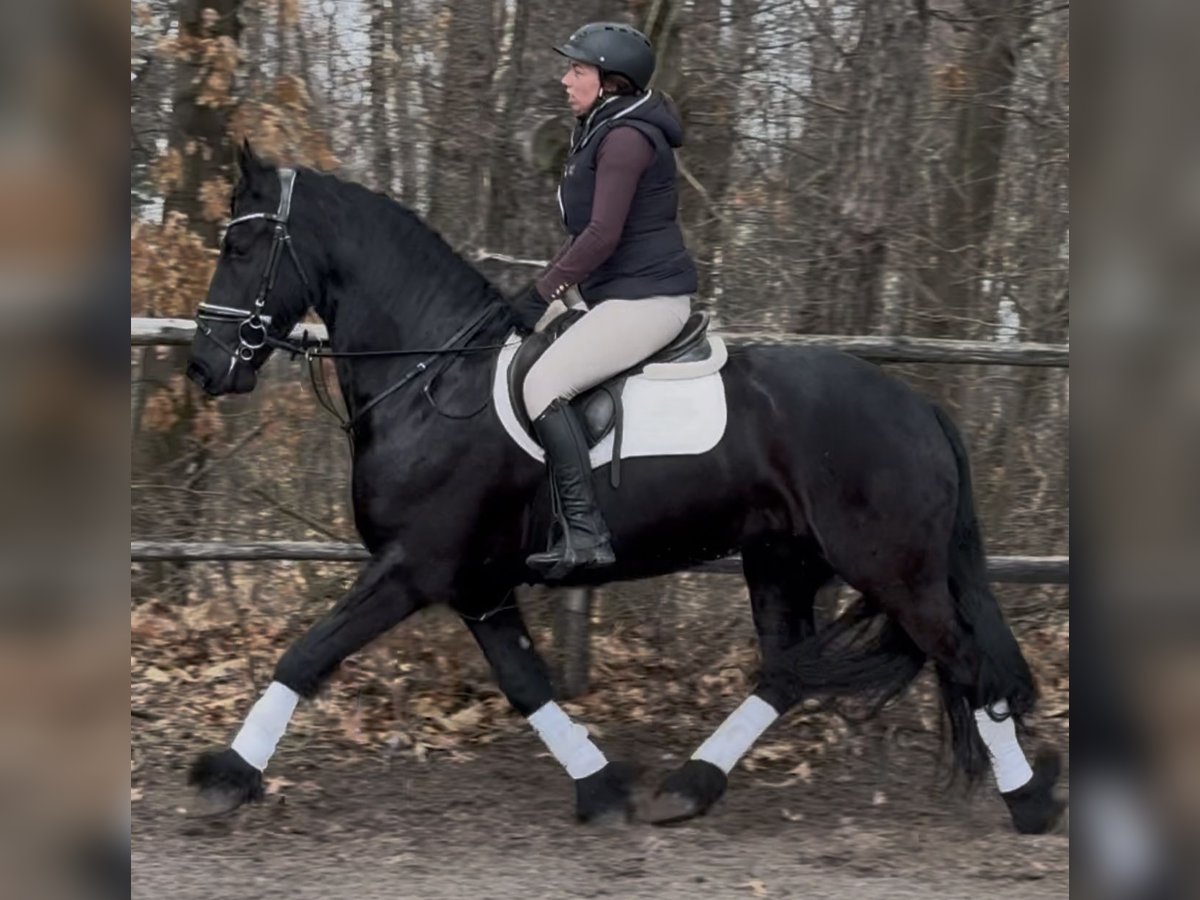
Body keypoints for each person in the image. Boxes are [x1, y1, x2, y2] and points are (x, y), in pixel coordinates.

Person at [508, 21, 698, 581]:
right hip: (615, 295)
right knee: (506, 336)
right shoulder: (602, 127)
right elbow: (585, 240)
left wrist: (542, 291)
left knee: (543, 385)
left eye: (577, 70)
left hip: (648, 303)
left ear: (610, 81)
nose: (565, 79)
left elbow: (601, 238)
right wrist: (533, 297)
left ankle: (586, 534)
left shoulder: (626, 139)